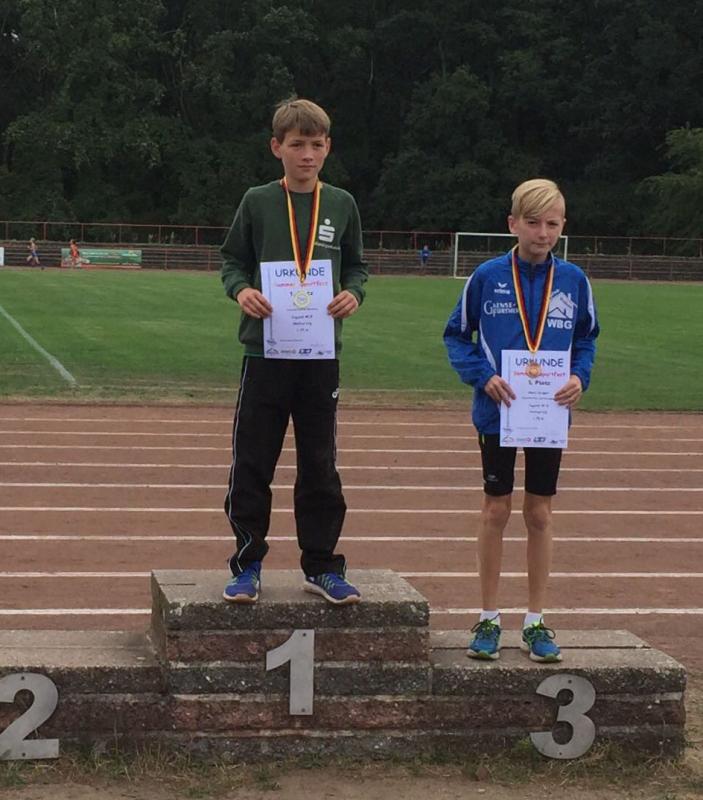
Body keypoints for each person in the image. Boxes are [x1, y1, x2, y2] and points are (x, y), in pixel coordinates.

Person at [220, 97, 368, 606]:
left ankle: (322, 565)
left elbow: (357, 266)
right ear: (276, 147)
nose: (308, 154)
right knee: (253, 460)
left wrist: (354, 293)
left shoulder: (342, 204)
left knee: (320, 463)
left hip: (320, 353)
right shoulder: (257, 201)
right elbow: (232, 261)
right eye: (298, 144)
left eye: (317, 145)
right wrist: (242, 290)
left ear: (328, 148)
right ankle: (247, 563)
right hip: (265, 352)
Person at [443, 178, 599, 662]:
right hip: (498, 413)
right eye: (533, 223)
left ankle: (535, 621)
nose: (542, 233)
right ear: (513, 224)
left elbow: (587, 338)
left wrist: (579, 377)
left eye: (552, 224)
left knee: (540, 513)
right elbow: (456, 336)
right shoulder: (486, 277)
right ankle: (489, 617)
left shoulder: (574, 281)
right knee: (496, 510)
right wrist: (483, 376)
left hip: (549, 413)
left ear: (563, 226)